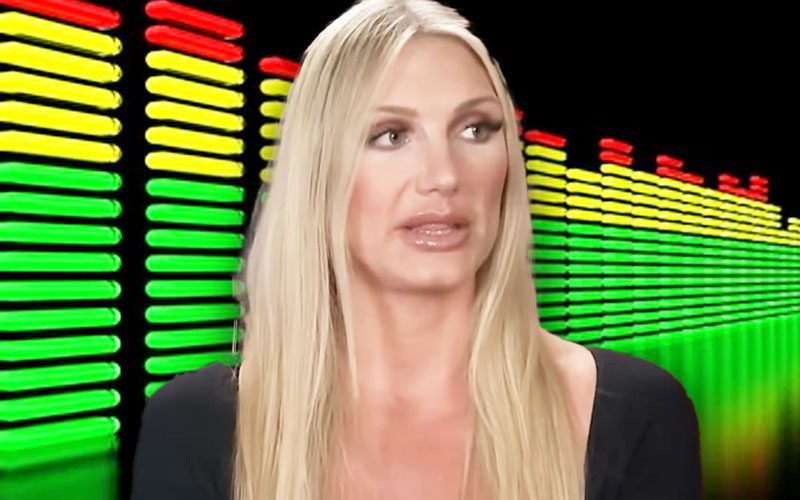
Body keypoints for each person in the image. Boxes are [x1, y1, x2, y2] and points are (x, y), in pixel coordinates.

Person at [130, 0, 703, 499]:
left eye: (475, 129)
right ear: (319, 173)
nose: (444, 176)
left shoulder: (636, 412)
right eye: (391, 136)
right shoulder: (197, 427)